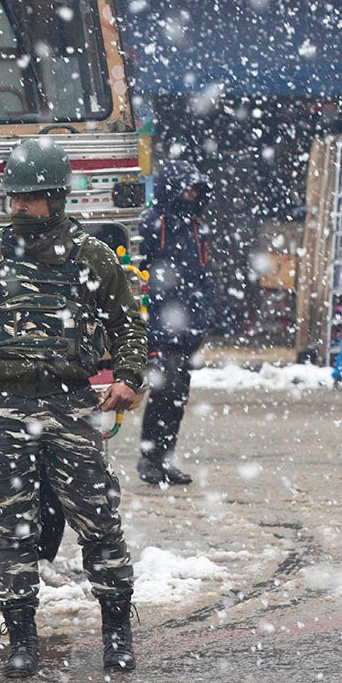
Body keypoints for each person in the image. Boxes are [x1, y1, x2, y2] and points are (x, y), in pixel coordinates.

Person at [0, 137, 147, 678]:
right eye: (14, 198)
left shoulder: (93, 258)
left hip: (69, 405)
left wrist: (129, 378)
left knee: (98, 521)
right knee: (11, 527)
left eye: (31, 198)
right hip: (3, 408)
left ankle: (116, 631)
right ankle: (20, 637)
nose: (19, 207)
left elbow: (129, 325)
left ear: (56, 199)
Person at [136, 160, 212, 486]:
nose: (192, 194)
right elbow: (142, 277)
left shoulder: (197, 229)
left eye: (196, 189)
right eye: (187, 188)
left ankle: (164, 458)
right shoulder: (152, 225)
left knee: (178, 394)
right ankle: (150, 458)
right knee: (163, 391)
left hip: (187, 327)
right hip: (159, 327)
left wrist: (201, 323)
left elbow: (202, 279)